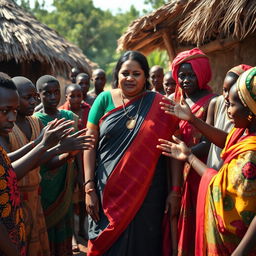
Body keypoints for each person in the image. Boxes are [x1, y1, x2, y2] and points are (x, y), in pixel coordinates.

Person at [83, 51, 179, 256]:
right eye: (125, 73)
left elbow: (172, 151)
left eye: (136, 73)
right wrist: (88, 186)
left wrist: (175, 190)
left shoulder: (160, 104)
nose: (130, 78)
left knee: (143, 244)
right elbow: (89, 144)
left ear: (145, 77)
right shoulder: (103, 100)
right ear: (117, 75)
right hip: (106, 190)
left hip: (148, 192)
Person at [158, 67, 256, 255]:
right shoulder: (246, 132)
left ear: (250, 112)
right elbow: (228, 140)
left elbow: (217, 184)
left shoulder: (250, 156)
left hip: (238, 244)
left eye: (232, 104)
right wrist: (193, 119)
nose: (227, 108)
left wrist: (189, 156)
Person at [0, 73, 86, 256]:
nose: (11, 117)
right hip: (14, 203)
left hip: (31, 200)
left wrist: (62, 152)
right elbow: (9, 172)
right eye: (5, 110)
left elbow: (7, 163)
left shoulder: (35, 122)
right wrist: (43, 144)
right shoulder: (7, 131)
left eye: (14, 110)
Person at [168, 48, 216, 256]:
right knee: (176, 219)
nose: (185, 80)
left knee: (200, 219)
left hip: (200, 170)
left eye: (191, 74)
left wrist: (186, 153)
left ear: (202, 74)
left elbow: (211, 141)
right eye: (182, 75)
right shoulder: (174, 101)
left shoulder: (212, 102)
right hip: (176, 170)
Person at [34, 75, 87, 255]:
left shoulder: (69, 117)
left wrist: (81, 178)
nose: (52, 97)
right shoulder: (36, 121)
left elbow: (78, 149)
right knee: (47, 227)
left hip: (66, 180)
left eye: (56, 92)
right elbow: (38, 158)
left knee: (66, 220)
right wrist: (66, 153)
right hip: (46, 185)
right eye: (47, 93)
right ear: (38, 95)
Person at [59, 83, 90, 241]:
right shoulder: (62, 114)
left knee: (85, 195)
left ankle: (82, 228)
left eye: (79, 95)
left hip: (86, 159)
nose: (76, 99)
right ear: (66, 97)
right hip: (68, 160)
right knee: (69, 197)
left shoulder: (88, 110)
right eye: (72, 96)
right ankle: (71, 235)